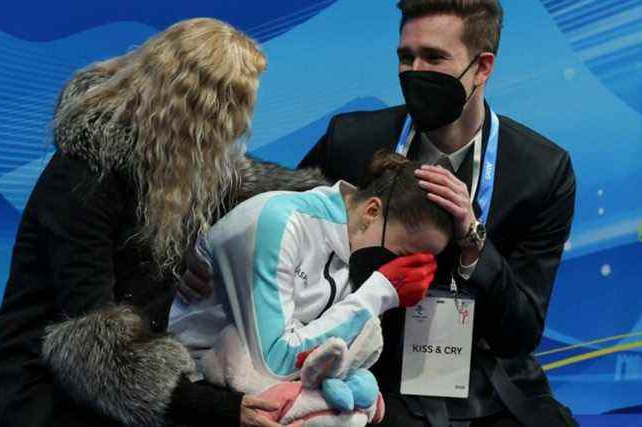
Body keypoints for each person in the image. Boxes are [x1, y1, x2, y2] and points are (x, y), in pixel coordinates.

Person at [182, 1, 578, 426]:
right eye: (406, 57)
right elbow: (263, 210)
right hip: (368, 373)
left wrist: (473, 240)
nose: (414, 71)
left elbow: (520, 333)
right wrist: (191, 252)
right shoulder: (353, 140)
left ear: (482, 68)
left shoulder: (541, 171)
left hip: (485, 383)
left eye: (434, 57)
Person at [0, 18, 327, 427]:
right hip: (42, 395)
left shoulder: (175, 163)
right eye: (234, 107)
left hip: (109, 390)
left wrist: (349, 198)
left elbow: (248, 184)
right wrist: (222, 410)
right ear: (192, 107)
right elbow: (95, 341)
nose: (237, 125)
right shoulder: (83, 178)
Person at [170, 152, 452, 425]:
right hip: (195, 387)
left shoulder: (356, 245)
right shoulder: (280, 222)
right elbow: (274, 362)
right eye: (405, 253)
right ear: (372, 210)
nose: (407, 268)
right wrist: (379, 293)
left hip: (261, 387)